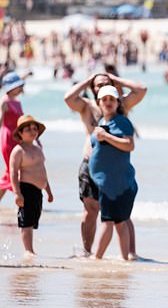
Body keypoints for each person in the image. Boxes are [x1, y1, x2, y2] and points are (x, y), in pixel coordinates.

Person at [64, 72, 147, 257]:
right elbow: (68, 98)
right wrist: (88, 80)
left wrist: (115, 79)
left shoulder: (120, 105)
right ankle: (88, 252)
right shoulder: (88, 106)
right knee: (91, 210)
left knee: (121, 214)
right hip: (90, 164)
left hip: (114, 169)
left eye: (106, 83)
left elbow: (142, 90)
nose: (102, 87)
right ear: (92, 89)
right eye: (98, 85)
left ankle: (129, 254)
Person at [89, 86, 138, 260]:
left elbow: (129, 145)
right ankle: (124, 259)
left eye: (112, 99)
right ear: (99, 103)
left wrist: (106, 137)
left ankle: (97, 258)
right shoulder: (102, 121)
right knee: (119, 222)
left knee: (109, 221)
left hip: (118, 183)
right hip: (107, 183)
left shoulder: (122, 122)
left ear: (118, 102)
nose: (108, 102)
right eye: (104, 99)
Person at [9, 116, 53, 255]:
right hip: (26, 189)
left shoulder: (38, 148)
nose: (33, 131)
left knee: (34, 220)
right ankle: (29, 251)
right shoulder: (18, 150)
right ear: (20, 133)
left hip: (38, 190)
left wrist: (48, 190)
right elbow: (14, 172)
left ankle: (30, 249)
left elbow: (42, 170)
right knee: (26, 222)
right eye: (28, 129)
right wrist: (17, 193)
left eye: (35, 129)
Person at [0, 71, 26, 203]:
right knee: (14, 169)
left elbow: (22, 122)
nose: (21, 88)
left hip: (18, 139)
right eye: (18, 86)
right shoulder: (4, 101)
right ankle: (21, 201)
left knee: (11, 169)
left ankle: (21, 201)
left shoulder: (17, 102)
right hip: (8, 138)